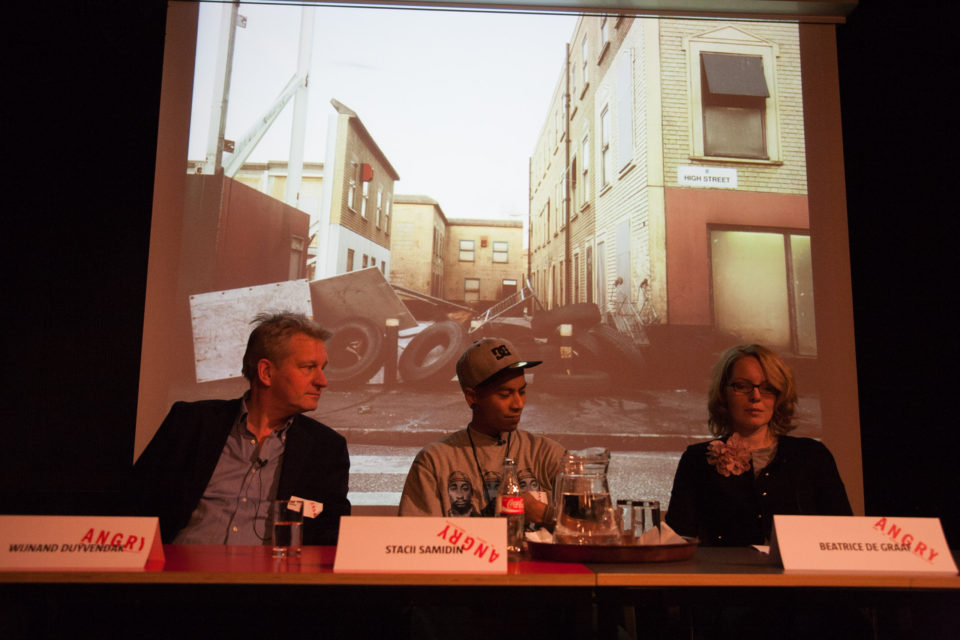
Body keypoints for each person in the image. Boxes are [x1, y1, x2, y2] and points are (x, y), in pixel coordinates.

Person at [131, 311, 350, 545]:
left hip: (270, 577)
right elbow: (134, 504)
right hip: (177, 573)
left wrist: (301, 510)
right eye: (308, 367)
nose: (322, 381)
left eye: (322, 368)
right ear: (266, 372)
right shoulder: (191, 423)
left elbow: (329, 529)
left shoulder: (326, 448)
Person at [665, 343, 851, 546]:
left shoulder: (812, 456)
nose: (755, 396)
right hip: (723, 576)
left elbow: (844, 532)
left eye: (767, 387)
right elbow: (678, 538)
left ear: (780, 395)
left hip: (799, 577)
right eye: (742, 386)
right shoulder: (697, 460)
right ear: (723, 392)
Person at [398, 337, 565, 526]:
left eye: (522, 391)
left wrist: (544, 515)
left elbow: (596, 530)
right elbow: (415, 540)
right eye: (505, 395)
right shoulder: (434, 462)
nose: (518, 404)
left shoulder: (548, 455)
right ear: (472, 397)